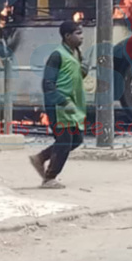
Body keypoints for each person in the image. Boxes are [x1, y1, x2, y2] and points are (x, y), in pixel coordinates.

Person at [29, 21, 89, 189]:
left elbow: (72, 77)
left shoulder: (77, 53)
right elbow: (47, 84)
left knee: (76, 139)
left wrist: (83, 71)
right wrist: (62, 101)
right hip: (58, 105)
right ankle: (49, 178)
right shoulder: (57, 55)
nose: (82, 37)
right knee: (64, 140)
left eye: (82, 33)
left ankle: (40, 158)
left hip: (73, 104)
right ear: (67, 36)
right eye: (78, 33)